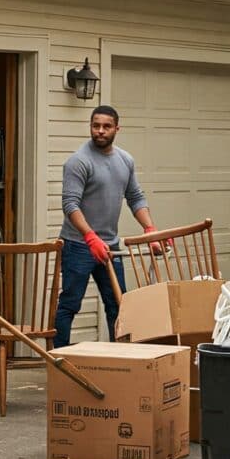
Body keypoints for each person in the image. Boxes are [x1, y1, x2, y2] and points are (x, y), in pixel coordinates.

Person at [53, 105, 160, 347]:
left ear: (116, 129)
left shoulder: (125, 160)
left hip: (110, 247)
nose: (100, 131)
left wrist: (150, 230)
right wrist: (90, 237)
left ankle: (120, 357)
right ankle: (58, 358)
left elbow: (135, 197)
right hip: (78, 245)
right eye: (96, 125)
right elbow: (70, 205)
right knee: (69, 304)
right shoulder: (78, 161)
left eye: (106, 126)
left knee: (118, 305)